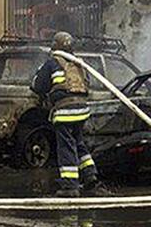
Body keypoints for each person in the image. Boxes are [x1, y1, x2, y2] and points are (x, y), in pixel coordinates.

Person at [30, 31, 108, 197]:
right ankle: (91, 179)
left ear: (55, 46)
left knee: (66, 146)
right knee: (79, 143)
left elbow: (38, 86)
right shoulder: (78, 63)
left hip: (65, 110)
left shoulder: (52, 63)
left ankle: (70, 186)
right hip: (81, 110)